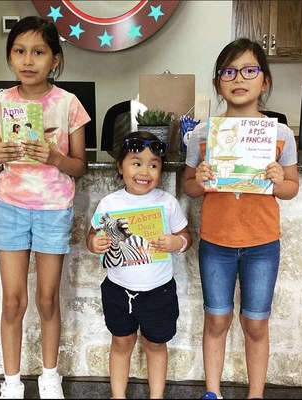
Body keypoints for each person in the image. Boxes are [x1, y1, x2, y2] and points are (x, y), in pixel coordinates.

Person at [183, 38, 299, 400]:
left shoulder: (279, 134)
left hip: (262, 244)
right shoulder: (202, 135)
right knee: (216, 319)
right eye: (229, 72)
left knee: (255, 322)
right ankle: (213, 392)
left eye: (250, 70)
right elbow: (187, 186)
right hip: (216, 243)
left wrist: (281, 180)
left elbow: (292, 187)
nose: (239, 78)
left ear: (264, 81)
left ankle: (255, 394)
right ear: (218, 82)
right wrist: (198, 181)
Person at [0, 16, 90, 399]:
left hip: (53, 209)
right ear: (10, 57)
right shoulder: (0, 104)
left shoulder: (69, 104)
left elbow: (80, 165)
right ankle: (10, 382)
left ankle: (49, 376)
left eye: (39, 52)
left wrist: (55, 157)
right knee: (12, 300)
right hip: (11, 207)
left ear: (55, 60)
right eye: (20, 51)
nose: (29, 60)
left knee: (47, 298)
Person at [87, 131, 192, 399]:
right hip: (118, 290)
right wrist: (93, 244)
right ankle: (118, 395)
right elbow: (92, 235)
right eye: (136, 162)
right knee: (121, 342)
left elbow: (186, 237)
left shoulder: (167, 203)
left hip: (159, 292)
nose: (145, 171)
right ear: (121, 167)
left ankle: (157, 396)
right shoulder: (109, 203)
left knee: (156, 345)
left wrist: (176, 243)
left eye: (153, 165)